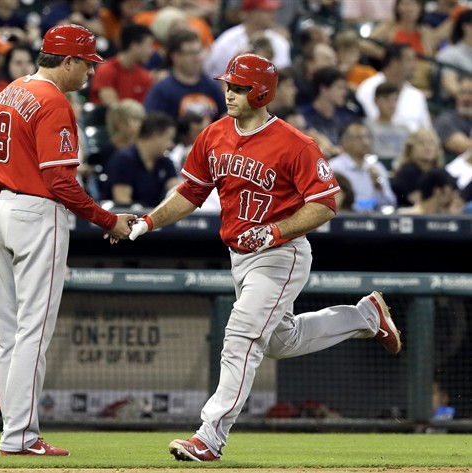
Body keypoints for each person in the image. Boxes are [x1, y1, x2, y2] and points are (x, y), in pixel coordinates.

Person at [128, 54, 402, 462]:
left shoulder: (296, 143)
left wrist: (275, 230)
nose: (229, 93)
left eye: (238, 87)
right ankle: (364, 316)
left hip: (281, 253)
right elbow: (190, 193)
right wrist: (149, 222)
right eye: (228, 85)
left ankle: (209, 436)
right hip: (240, 254)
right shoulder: (214, 134)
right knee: (280, 340)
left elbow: (326, 204)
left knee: (240, 336)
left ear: (261, 91)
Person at [0, 24, 135, 456]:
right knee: (32, 332)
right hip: (35, 213)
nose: (89, 72)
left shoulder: (10, 91)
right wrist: (107, 220)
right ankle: (21, 437)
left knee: (9, 334)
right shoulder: (54, 101)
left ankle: (13, 434)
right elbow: (60, 181)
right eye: (86, 63)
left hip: (0, 208)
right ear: (66, 61)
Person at [144, 29, 226, 122]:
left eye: (199, 52)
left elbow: (226, 116)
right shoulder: (162, 90)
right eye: (191, 53)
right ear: (176, 57)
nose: (197, 58)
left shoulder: (212, 87)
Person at [104, 111, 180, 208]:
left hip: (157, 218)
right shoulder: (124, 160)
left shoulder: (165, 162)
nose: (171, 145)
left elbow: (177, 194)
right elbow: (122, 201)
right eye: (169, 138)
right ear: (156, 136)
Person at [203, 0, 291, 79]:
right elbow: (212, 74)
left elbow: (283, 78)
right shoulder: (227, 41)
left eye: (272, 11)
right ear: (250, 13)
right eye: (266, 11)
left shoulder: (280, 42)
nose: (273, 15)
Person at [356, 42, 431, 133]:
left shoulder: (417, 96)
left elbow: (426, 130)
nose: (414, 66)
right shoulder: (368, 88)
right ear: (394, 63)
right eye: (409, 60)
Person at [329, 121, 397, 212]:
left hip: (375, 220)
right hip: (343, 219)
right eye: (359, 138)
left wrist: (378, 187)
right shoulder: (334, 167)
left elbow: (391, 203)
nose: (366, 142)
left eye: (367, 137)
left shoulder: (377, 168)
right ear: (344, 142)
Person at [88, 23, 154, 105]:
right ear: (135, 46)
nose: (151, 51)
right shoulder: (106, 70)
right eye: (149, 46)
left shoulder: (145, 77)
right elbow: (113, 108)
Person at [391, 128, 446, 208]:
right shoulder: (407, 172)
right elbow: (416, 200)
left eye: (431, 143)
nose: (427, 147)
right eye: (421, 143)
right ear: (411, 149)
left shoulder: (440, 172)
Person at [365, 81, 410, 167]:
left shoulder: (404, 128)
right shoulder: (367, 127)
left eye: (395, 100)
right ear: (376, 100)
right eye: (386, 99)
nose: (391, 105)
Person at [396, 168, 463, 215]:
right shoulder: (405, 216)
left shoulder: (452, 217)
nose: (454, 195)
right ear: (438, 191)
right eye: (452, 190)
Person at [434, 75, 472, 157]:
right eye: (462, 93)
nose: (465, 98)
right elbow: (464, 147)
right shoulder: (445, 120)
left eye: (470, 93)